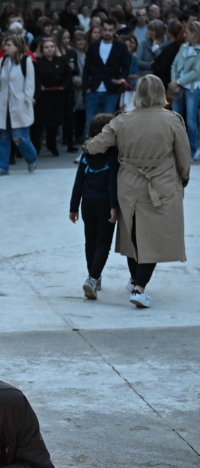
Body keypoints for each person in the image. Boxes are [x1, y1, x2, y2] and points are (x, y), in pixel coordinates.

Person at [85, 75, 191, 309]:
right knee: (153, 236)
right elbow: (184, 157)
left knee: (133, 234)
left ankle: (135, 280)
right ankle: (139, 288)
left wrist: (86, 146)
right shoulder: (173, 120)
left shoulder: (123, 120)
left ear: (138, 93)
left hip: (129, 184)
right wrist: (183, 181)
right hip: (162, 183)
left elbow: (96, 145)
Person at [70, 113, 119, 300]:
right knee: (103, 243)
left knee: (89, 241)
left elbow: (78, 182)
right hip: (105, 203)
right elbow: (112, 183)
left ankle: (94, 276)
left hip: (87, 203)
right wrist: (114, 206)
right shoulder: (114, 155)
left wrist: (73, 207)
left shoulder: (86, 153)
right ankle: (92, 278)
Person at [0, 35, 38, 176]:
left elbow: (30, 83)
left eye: (9, 45)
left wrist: (27, 99)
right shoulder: (3, 61)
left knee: (19, 137)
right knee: (2, 135)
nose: (6, 47)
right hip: (3, 103)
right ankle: (2, 166)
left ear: (17, 46)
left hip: (19, 104)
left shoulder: (26, 61)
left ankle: (31, 158)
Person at [82, 18, 131, 140]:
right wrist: (86, 87)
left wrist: (122, 80)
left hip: (111, 89)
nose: (107, 33)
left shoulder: (121, 47)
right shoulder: (94, 46)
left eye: (110, 30)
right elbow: (87, 68)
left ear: (115, 30)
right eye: (105, 30)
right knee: (90, 122)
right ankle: (87, 151)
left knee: (108, 123)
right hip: (93, 88)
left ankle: (105, 152)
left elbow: (125, 67)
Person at [31, 37, 69, 156]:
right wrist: (38, 86)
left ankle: (51, 145)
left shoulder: (61, 60)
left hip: (56, 95)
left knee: (54, 123)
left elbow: (68, 76)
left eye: (51, 47)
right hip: (41, 96)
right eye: (46, 47)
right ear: (42, 49)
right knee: (38, 124)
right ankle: (35, 147)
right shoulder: (37, 62)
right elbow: (33, 77)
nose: (49, 50)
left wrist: (63, 85)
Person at [168, 20, 200, 158]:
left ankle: (193, 149)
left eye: (187, 32)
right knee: (175, 119)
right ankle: (174, 148)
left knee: (191, 120)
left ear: (194, 34)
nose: (184, 34)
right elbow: (174, 65)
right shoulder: (183, 47)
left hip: (192, 88)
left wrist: (179, 82)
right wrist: (174, 81)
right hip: (178, 88)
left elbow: (197, 72)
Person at [66, 30, 89, 150]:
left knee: (84, 112)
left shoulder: (88, 53)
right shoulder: (72, 53)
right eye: (79, 40)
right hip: (76, 86)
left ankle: (80, 135)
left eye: (83, 39)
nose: (81, 42)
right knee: (75, 111)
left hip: (87, 86)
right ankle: (74, 136)